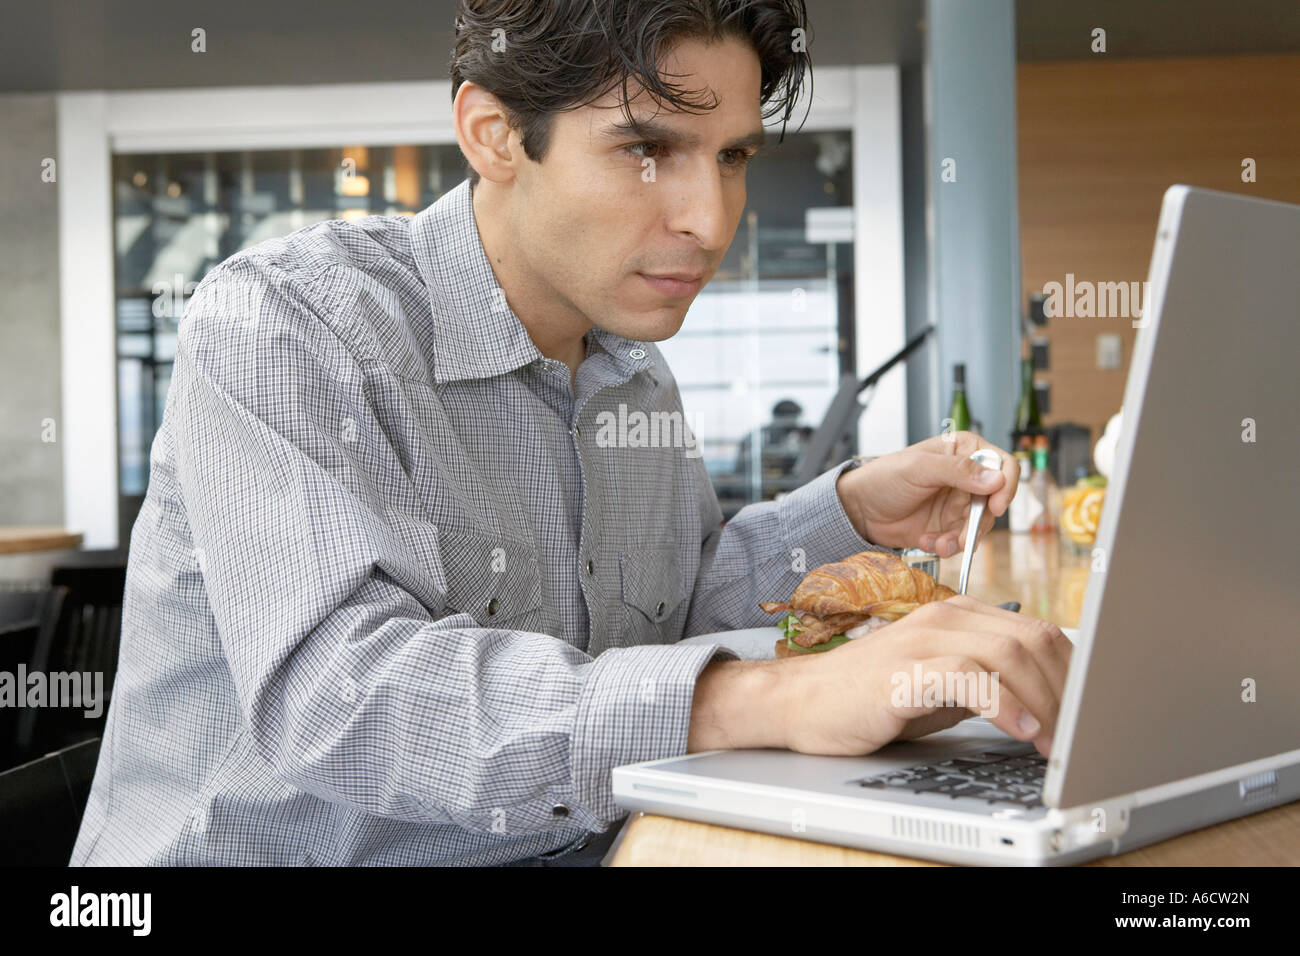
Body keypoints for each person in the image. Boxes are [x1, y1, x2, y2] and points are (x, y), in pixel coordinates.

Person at [72, 0, 1068, 867]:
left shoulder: (632, 366)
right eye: (648, 149)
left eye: (729, 157)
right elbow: (344, 700)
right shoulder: (288, 323)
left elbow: (657, 625)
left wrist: (847, 510)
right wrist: (766, 701)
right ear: (494, 133)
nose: (710, 219)